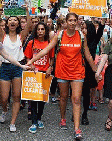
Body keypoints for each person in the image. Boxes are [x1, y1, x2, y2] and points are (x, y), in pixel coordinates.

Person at [27, 12, 96, 140]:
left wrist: (95, 71)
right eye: (70, 20)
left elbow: (87, 54)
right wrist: (31, 61)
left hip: (77, 71)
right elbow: (46, 49)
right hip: (62, 70)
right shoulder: (59, 35)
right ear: (66, 22)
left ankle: (77, 129)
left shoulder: (81, 35)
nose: (72, 22)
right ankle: (63, 118)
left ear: (77, 22)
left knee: (76, 99)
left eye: (74, 20)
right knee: (63, 97)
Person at [0, 4, 31, 132]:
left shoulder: (21, 36)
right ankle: (4, 110)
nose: (13, 22)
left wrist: (27, 10)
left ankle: (13, 122)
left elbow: (30, 24)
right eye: (10, 20)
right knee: (4, 98)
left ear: (18, 23)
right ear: (7, 24)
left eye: (15, 20)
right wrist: (0, 11)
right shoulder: (2, 36)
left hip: (18, 68)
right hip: (5, 67)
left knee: (16, 96)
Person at [24, 22, 54, 134]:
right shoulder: (31, 43)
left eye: (42, 29)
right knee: (33, 99)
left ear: (45, 31)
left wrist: (50, 68)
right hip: (33, 73)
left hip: (44, 73)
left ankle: (39, 118)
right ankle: (34, 121)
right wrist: (30, 65)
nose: (40, 31)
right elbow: (27, 57)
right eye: (38, 29)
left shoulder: (49, 43)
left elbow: (51, 58)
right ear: (35, 31)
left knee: (42, 98)